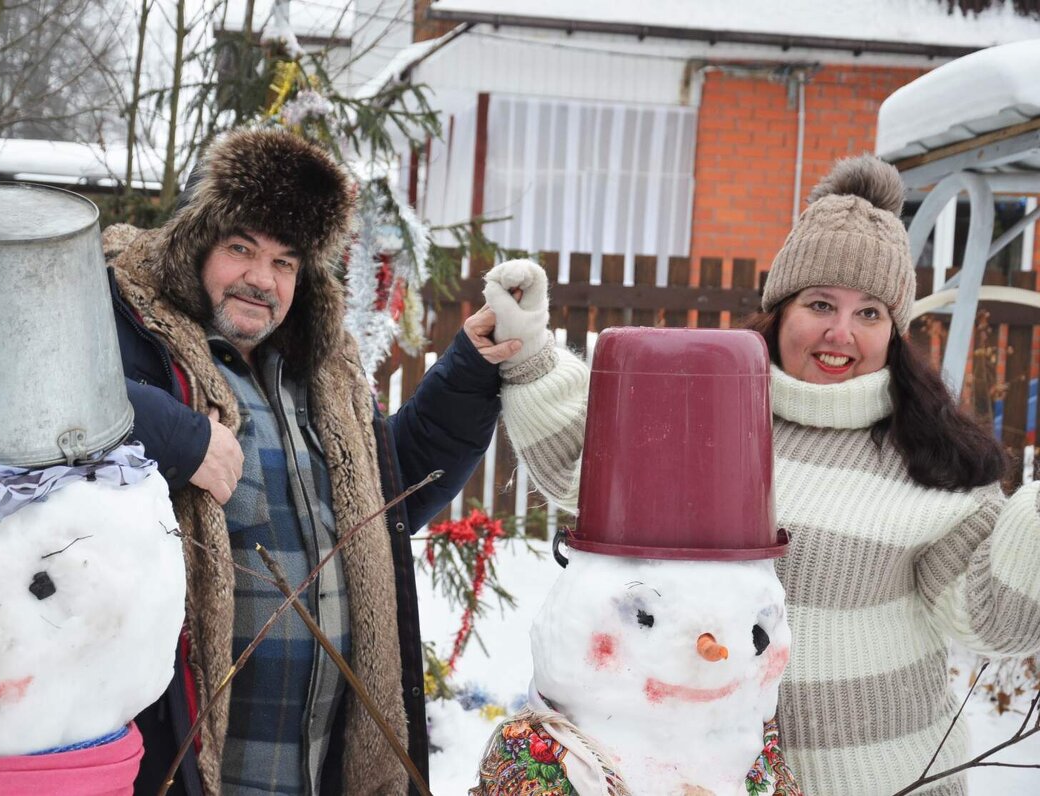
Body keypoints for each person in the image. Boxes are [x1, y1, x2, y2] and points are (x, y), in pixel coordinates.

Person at [481, 155, 1040, 796]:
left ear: (896, 330)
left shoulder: (931, 459)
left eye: (870, 314)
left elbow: (993, 619)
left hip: (882, 780)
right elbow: (585, 463)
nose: (841, 333)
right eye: (821, 303)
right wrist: (528, 352)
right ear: (780, 311)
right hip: (715, 779)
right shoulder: (712, 415)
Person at [104, 127, 517, 796]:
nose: (262, 280)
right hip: (189, 769)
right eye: (242, 248)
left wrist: (468, 372)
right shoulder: (130, 333)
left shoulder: (316, 376)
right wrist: (179, 440)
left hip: (320, 768)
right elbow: (47, 404)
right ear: (193, 242)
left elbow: (387, 499)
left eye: (286, 262)